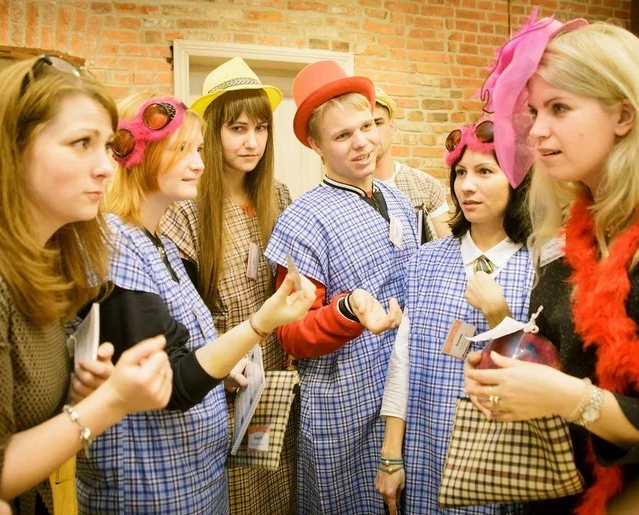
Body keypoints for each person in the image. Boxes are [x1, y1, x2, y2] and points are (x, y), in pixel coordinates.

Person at [462, 14, 639, 513]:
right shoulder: (579, 237)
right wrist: (514, 365)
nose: (539, 131)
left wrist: (568, 398)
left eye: (560, 108)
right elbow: (575, 356)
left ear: (624, 116)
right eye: (535, 111)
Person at [0, 55, 172, 515]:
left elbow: (16, 412)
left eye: (106, 146)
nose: (106, 167)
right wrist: (110, 403)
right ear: (11, 150)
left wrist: (76, 392)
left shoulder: (38, 252)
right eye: (81, 143)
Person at [74, 92, 315, 513]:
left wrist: (225, 372)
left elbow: (182, 348)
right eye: (182, 150)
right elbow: (172, 383)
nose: (200, 164)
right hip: (152, 488)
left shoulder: (159, 244)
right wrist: (260, 323)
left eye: (199, 150)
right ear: (138, 155)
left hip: (194, 478)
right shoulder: (118, 246)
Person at [264, 60, 418, 513]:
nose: (362, 143)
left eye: (367, 126)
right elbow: (290, 332)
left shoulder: (399, 202)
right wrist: (347, 310)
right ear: (316, 145)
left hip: (403, 397)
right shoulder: (303, 221)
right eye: (342, 135)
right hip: (343, 409)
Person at [376, 118, 533, 515]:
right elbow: (402, 360)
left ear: (517, 181)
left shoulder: (539, 266)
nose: (467, 186)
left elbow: (545, 373)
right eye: (460, 173)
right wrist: (391, 455)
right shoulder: (427, 260)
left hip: (502, 458)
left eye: (484, 172)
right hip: (428, 450)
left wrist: (499, 316)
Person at [160, 58, 297, 514]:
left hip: (271, 374)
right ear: (213, 131)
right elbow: (177, 315)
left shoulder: (277, 195)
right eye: (237, 129)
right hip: (219, 374)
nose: (252, 141)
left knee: (274, 488)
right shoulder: (187, 206)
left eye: (261, 128)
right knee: (231, 494)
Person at [372, 86, 452, 239]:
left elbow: (447, 246)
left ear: (391, 127)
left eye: (378, 123)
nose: (372, 132)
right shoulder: (345, 192)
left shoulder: (425, 186)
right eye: (365, 126)